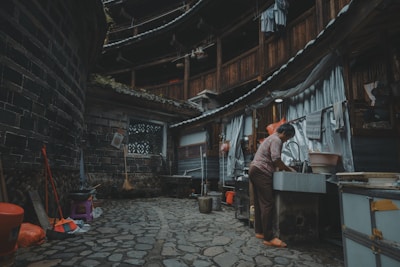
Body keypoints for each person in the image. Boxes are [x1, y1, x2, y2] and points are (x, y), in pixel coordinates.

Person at [249, 123, 296, 248]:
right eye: (288, 138)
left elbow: (273, 160)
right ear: (285, 134)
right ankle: (269, 238)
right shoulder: (277, 140)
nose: (286, 141)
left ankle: (260, 231)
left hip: (254, 169)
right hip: (262, 171)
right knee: (268, 204)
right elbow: (276, 159)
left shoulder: (270, 138)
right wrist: (288, 169)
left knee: (260, 203)